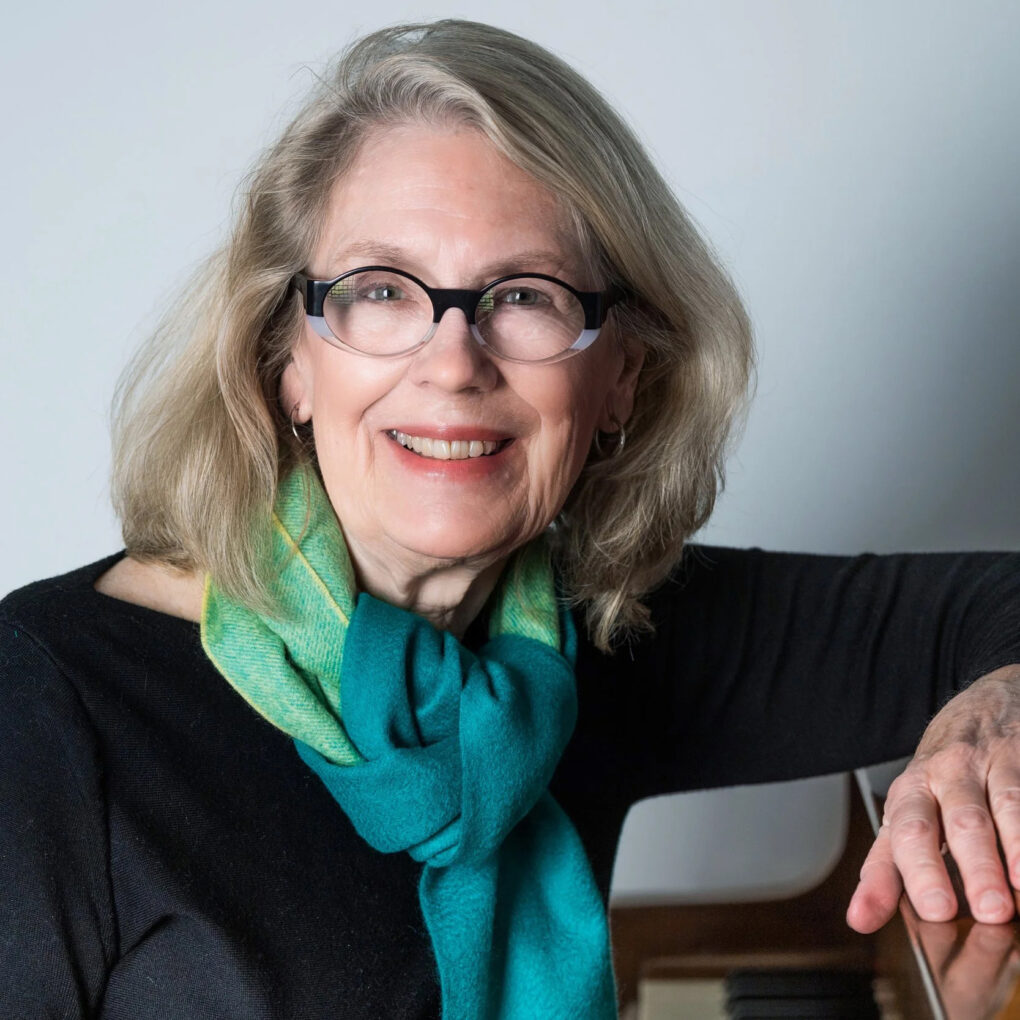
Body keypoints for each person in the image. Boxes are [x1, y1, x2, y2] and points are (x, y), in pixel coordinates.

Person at [1, 18, 1018, 1019]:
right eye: (381, 291)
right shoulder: (47, 709)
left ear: (623, 376)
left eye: (526, 295)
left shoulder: (599, 629)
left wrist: (993, 719)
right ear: (289, 362)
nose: (454, 364)